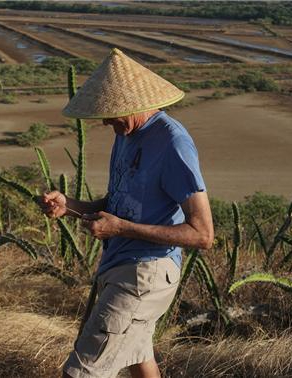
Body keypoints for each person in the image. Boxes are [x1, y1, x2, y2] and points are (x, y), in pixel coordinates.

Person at [39, 48, 214, 378]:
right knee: (139, 357)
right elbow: (117, 203)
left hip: (145, 273)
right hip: (121, 267)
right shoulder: (127, 135)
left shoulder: (173, 143)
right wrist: (68, 205)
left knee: (82, 371)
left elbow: (202, 235)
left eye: (111, 112)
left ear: (136, 103)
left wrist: (120, 229)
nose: (105, 121)